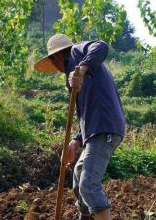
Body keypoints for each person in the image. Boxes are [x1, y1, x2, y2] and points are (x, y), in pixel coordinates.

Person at [34, 34, 125, 220]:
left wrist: (81, 70)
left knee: (88, 185)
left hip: (105, 128)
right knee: (78, 176)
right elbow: (85, 114)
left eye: (53, 62)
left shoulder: (78, 53)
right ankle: (85, 217)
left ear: (57, 56)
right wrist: (76, 141)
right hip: (94, 131)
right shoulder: (72, 79)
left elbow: (101, 46)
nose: (57, 69)